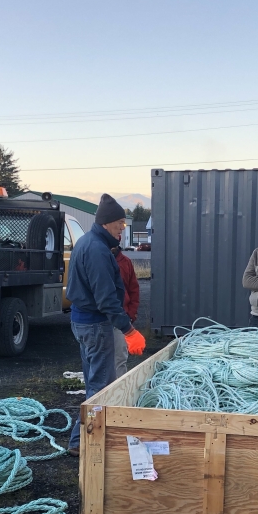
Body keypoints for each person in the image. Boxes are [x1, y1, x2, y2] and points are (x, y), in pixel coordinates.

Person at [66, 194, 146, 456]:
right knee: (102, 386)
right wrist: (129, 330)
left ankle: (80, 440)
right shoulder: (98, 250)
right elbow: (106, 299)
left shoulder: (86, 243)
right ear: (106, 223)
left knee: (93, 382)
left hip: (82, 322)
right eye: (120, 223)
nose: (123, 228)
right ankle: (84, 443)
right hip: (96, 325)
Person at [111, 241, 140, 380]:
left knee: (120, 357)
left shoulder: (126, 262)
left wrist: (131, 313)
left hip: (121, 317)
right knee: (100, 358)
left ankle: (118, 391)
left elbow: (134, 289)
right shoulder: (98, 259)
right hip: (101, 319)